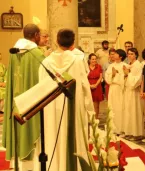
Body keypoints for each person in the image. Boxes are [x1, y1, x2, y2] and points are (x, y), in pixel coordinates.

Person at [35, 29, 95, 171]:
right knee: (73, 136)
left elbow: (41, 88)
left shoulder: (46, 62)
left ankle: (55, 166)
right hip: (72, 107)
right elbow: (85, 87)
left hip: (51, 108)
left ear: (56, 41)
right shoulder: (78, 61)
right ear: (73, 43)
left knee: (53, 134)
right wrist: (90, 111)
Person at [2, 23, 44, 168]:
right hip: (30, 103)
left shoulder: (14, 51)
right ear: (36, 35)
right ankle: (31, 165)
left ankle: (17, 163)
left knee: (18, 131)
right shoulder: (36, 54)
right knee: (31, 129)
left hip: (16, 102)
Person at [122, 48, 143, 139]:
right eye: (128, 54)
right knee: (128, 112)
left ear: (136, 55)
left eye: (132, 54)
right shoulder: (129, 65)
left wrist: (127, 74)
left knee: (134, 112)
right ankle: (129, 131)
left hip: (134, 91)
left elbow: (137, 80)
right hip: (128, 91)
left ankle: (136, 133)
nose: (129, 55)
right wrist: (125, 75)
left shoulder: (137, 65)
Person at [105, 49, 127, 135]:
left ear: (120, 56)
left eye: (116, 54)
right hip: (112, 88)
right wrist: (113, 75)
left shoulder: (124, 65)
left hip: (120, 89)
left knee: (120, 108)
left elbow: (125, 78)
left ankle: (121, 128)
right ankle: (112, 128)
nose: (113, 55)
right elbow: (107, 77)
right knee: (112, 107)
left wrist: (117, 74)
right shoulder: (111, 66)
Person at [88, 53, 104, 118]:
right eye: (92, 59)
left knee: (96, 105)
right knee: (88, 104)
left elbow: (100, 77)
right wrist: (89, 85)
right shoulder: (86, 67)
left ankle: (96, 119)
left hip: (97, 86)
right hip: (88, 85)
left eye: (95, 59)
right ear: (89, 60)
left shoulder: (99, 66)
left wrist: (95, 85)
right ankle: (89, 119)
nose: (94, 60)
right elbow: (84, 77)